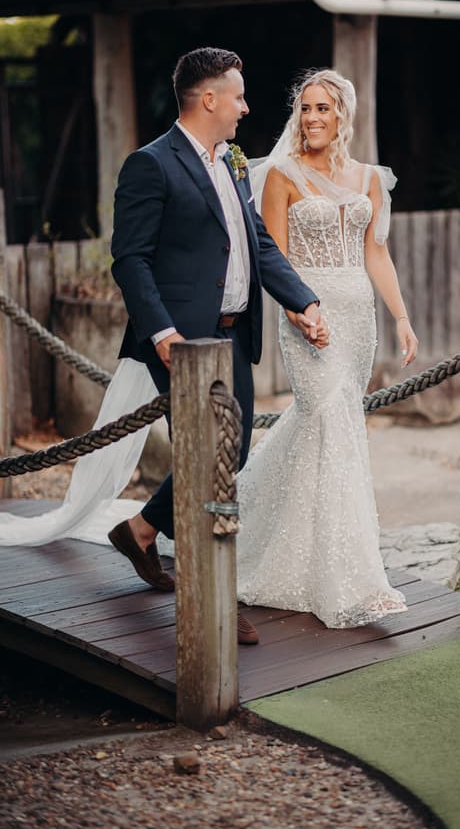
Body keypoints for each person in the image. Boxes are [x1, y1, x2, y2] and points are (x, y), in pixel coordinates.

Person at [107, 47, 328, 645]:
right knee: (211, 468)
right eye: (238, 95)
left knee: (232, 458)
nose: (245, 106)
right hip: (181, 345)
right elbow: (130, 260)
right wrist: (164, 335)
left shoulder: (232, 163)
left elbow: (255, 241)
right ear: (209, 99)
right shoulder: (150, 165)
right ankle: (215, 603)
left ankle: (143, 530)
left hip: (235, 336)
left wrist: (302, 300)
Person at [236, 69, 418, 628]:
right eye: (306, 108)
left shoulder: (368, 178)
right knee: (328, 419)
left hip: (358, 317)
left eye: (323, 109)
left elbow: (377, 254)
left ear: (343, 116)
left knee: (333, 433)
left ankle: (308, 552)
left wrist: (402, 319)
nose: (312, 118)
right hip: (309, 317)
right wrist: (300, 312)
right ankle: (354, 578)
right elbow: (275, 258)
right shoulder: (282, 175)